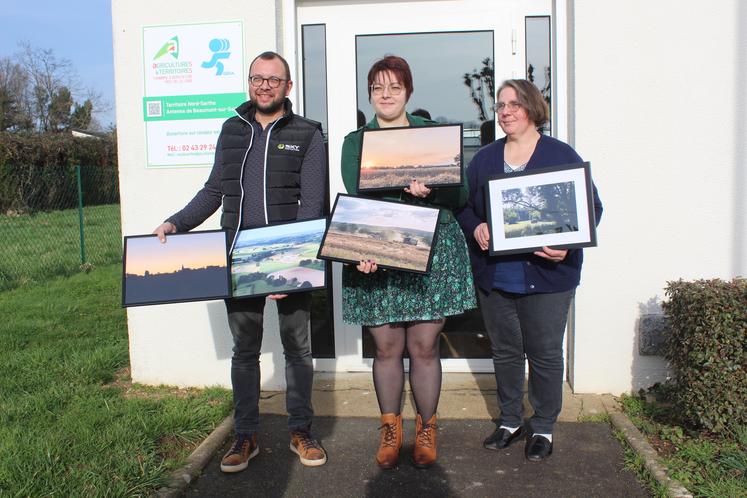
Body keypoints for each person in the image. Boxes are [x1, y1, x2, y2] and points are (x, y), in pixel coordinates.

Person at [152, 51, 328, 473]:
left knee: (298, 350)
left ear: (288, 86)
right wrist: (177, 223)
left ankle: (301, 430)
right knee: (244, 352)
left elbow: (313, 203)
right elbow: (215, 190)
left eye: (274, 79)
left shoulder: (308, 133)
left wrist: (296, 262)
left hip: (289, 256)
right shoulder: (232, 129)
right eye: (257, 78)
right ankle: (245, 435)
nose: (265, 86)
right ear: (250, 83)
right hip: (239, 257)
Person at [340, 55, 477, 469]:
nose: (386, 95)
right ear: (369, 94)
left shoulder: (432, 136)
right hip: (380, 249)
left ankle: (427, 429)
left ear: (408, 92)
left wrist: (429, 193)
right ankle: (390, 430)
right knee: (386, 348)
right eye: (378, 88)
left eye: (394, 87)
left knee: (423, 346)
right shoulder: (355, 141)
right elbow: (360, 197)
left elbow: (461, 195)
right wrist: (359, 252)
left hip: (432, 249)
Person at [456, 79, 603, 462]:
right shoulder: (485, 159)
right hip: (497, 275)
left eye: (514, 104)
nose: (505, 111)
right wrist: (476, 226)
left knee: (544, 353)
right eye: (501, 105)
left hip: (548, 276)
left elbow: (592, 208)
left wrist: (567, 244)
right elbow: (465, 207)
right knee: (505, 352)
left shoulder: (559, 154)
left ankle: (543, 426)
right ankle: (509, 420)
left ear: (533, 109)